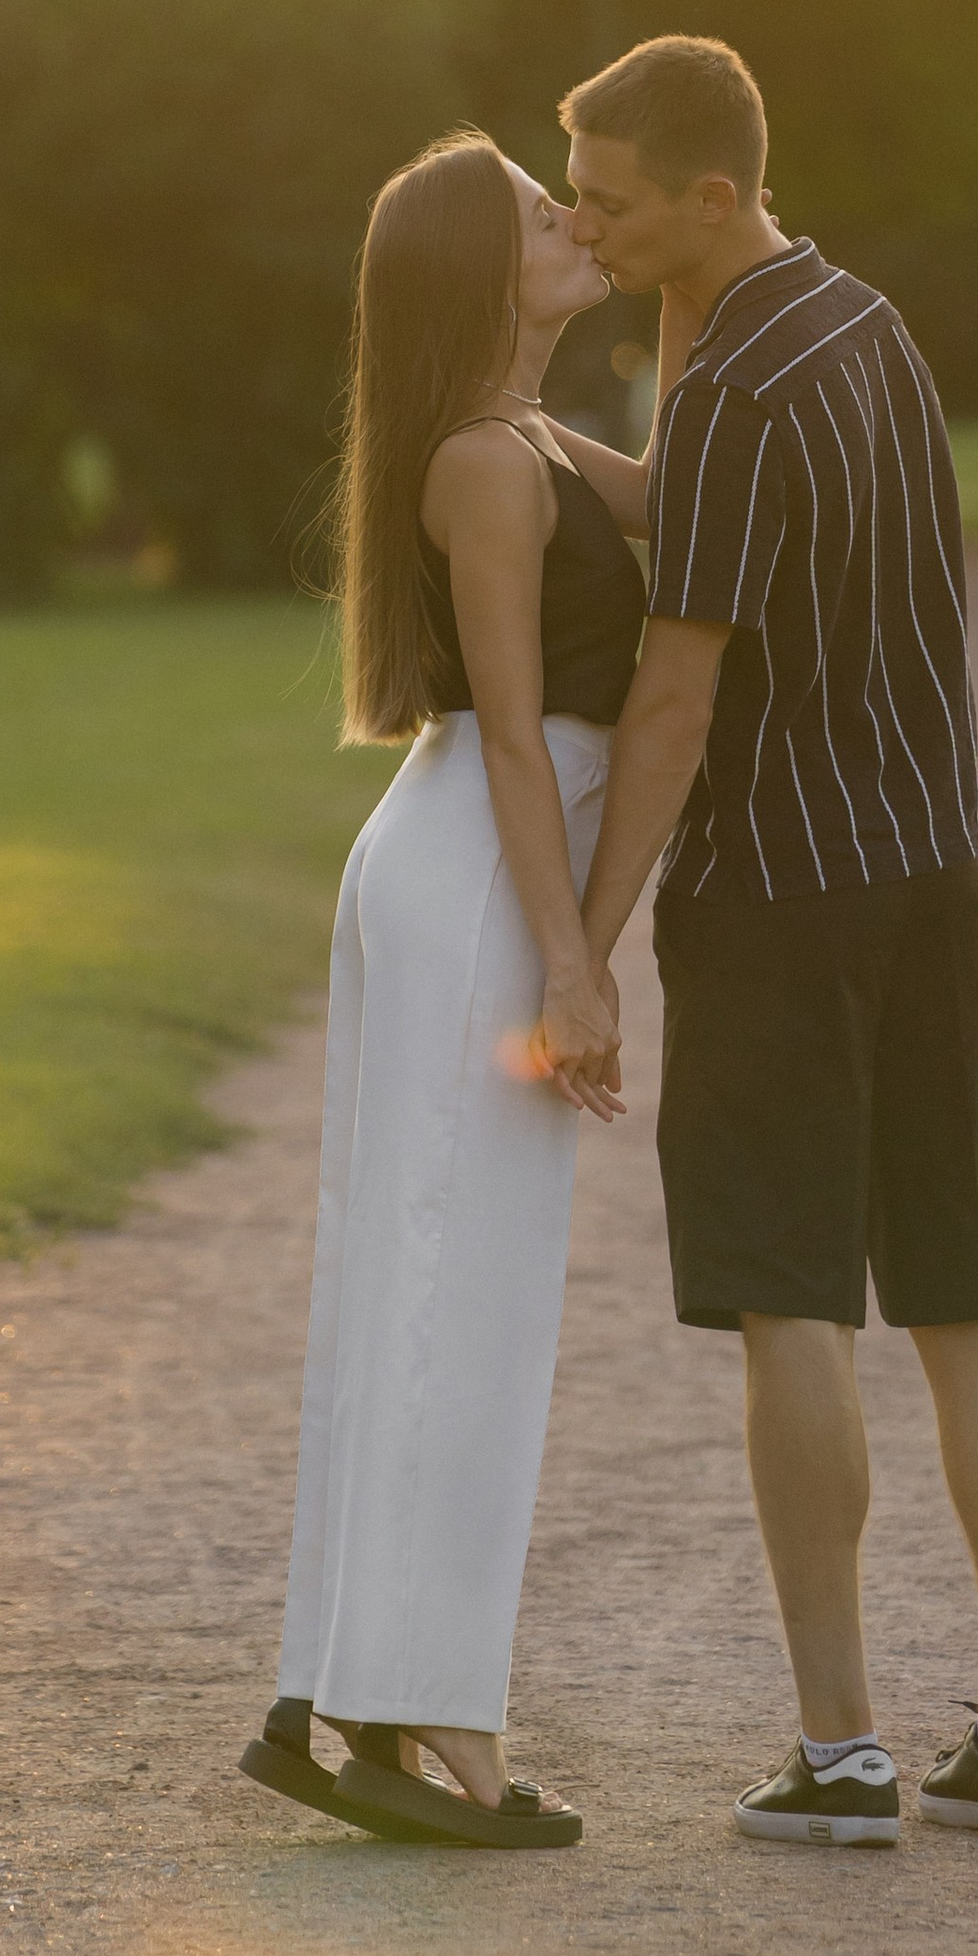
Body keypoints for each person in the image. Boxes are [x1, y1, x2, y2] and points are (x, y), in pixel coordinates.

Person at [555, 34, 978, 1847]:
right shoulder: (863, 327)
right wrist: (574, 429)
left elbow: (675, 699)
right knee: (960, 1294)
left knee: (792, 1307)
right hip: (932, 877)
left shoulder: (733, 396)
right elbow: (692, 498)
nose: (581, 228)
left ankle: (841, 1752)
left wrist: (585, 950)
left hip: (780, 898)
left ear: (713, 197)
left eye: (611, 203)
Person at [241, 128, 637, 1852]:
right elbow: (518, 738)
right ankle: (419, 1705)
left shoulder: (532, 436)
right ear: (479, 270)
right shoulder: (484, 462)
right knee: (450, 1289)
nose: (576, 219)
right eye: (545, 211)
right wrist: (574, 961)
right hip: (478, 869)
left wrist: (704, 278)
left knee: (428, 1273)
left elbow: (692, 499)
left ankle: (343, 1684)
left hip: (464, 861)